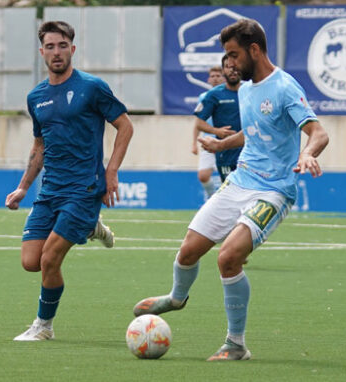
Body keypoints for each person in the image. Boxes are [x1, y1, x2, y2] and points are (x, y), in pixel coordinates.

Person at [133, 19, 329, 361]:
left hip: (273, 191)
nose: (230, 64)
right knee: (189, 250)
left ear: (254, 50)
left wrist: (308, 154)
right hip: (239, 181)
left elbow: (318, 132)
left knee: (228, 257)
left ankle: (236, 344)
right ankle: (176, 298)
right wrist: (222, 144)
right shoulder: (247, 89)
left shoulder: (284, 87)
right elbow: (253, 132)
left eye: (234, 55)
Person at [5, 20, 133, 341]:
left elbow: (125, 126)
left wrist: (111, 171)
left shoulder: (92, 87)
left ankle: (43, 327)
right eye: (50, 46)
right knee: (31, 261)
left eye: (63, 45)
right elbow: (39, 147)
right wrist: (23, 187)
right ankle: (91, 228)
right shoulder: (36, 97)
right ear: (42, 52)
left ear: (72, 49)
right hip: (51, 190)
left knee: (50, 259)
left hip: (85, 188)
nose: (57, 52)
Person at [193, 55, 242, 182]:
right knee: (230, 192)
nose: (232, 70)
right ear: (224, 71)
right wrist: (217, 131)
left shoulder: (251, 91)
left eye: (235, 67)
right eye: (228, 67)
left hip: (249, 154)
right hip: (225, 155)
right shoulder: (213, 95)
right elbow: (199, 123)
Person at [192, 66, 225, 200]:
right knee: (203, 175)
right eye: (213, 76)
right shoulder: (204, 97)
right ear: (208, 79)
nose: (216, 79)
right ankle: (213, 199)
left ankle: (226, 204)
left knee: (228, 177)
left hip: (225, 142)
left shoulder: (230, 94)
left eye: (218, 76)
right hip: (208, 141)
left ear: (223, 77)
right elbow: (198, 122)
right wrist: (194, 143)